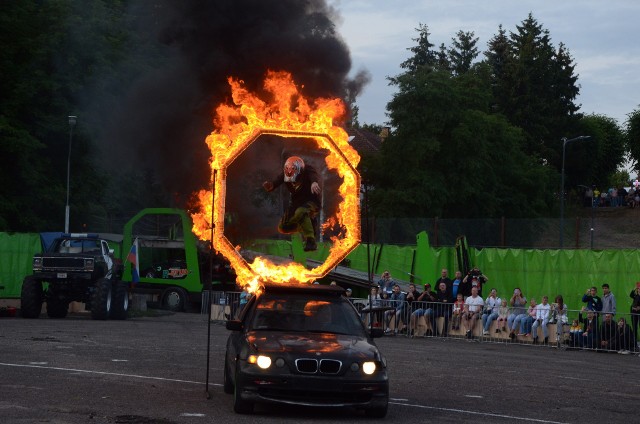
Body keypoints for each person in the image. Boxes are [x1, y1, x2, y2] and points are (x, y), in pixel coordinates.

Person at [263, 156, 321, 252]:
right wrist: (270, 186)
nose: (292, 181)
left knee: (301, 211)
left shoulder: (308, 169)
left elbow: (313, 175)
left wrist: (314, 182)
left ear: (300, 171)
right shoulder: (286, 174)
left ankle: (311, 241)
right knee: (283, 227)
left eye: (295, 178)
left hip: (311, 201)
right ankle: (308, 224)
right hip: (297, 203)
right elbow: (276, 181)